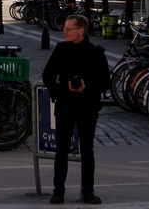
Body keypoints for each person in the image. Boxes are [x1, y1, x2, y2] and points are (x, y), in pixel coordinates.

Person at [42, 14, 111, 205]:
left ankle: (88, 192)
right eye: (64, 28)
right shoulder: (61, 50)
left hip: (87, 106)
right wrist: (59, 92)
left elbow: (105, 81)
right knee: (61, 150)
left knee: (87, 150)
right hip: (65, 105)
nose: (64, 31)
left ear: (80, 31)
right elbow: (47, 75)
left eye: (68, 29)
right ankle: (58, 192)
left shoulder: (96, 53)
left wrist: (85, 86)